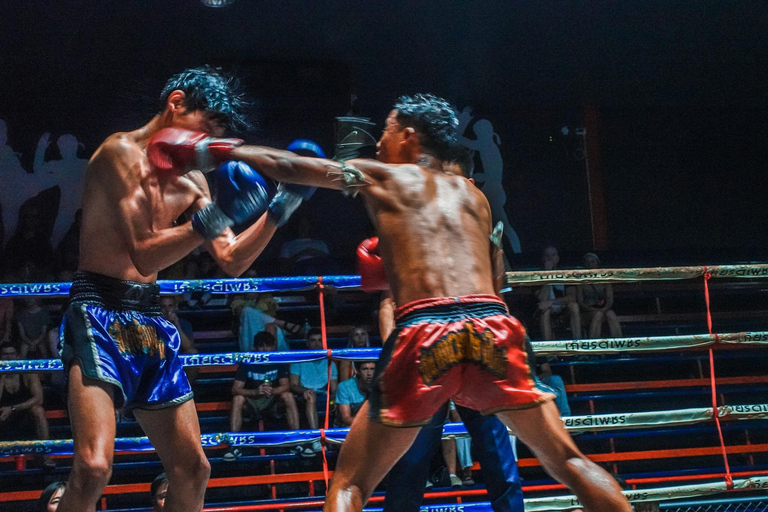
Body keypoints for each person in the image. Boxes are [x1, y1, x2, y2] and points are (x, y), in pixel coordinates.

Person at [146, 93, 632, 511]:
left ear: (410, 136)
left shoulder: (384, 176)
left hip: (428, 331)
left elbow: (294, 167)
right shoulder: (476, 197)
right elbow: (492, 273)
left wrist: (211, 149)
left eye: (387, 128)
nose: (378, 139)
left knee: (351, 484)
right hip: (491, 326)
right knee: (568, 461)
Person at [56, 66, 314, 512]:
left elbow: (232, 261)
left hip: (151, 318)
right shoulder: (119, 153)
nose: (207, 147)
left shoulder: (195, 181)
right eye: (204, 129)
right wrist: (213, 219)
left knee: (193, 469)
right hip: (98, 309)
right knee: (94, 467)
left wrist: (279, 207)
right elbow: (144, 254)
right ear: (176, 103)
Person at [225, 331, 299, 460]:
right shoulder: (247, 361)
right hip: (253, 401)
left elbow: (286, 385)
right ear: (255, 347)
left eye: (268, 346)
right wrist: (255, 392)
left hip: (272, 400)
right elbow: (235, 389)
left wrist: (272, 391)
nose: (265, 350)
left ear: (273, 346)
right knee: (237, 399)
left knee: (288, 396)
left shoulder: (277, 359)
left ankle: (297, 441)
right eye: (261, 346)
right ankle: (235, 445)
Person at [0, 342, 55, 468]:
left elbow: (38, 398)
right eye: (5, 354)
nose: (8, 358)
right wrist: (3, 376)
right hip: (2, 416)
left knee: (38, 410)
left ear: (17, 355)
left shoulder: (27, 372)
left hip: (24, 415)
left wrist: (13, 408)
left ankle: (45, 455)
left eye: (12, 354)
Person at [289, 327, 338, 452]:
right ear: (307, 342)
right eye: (313, 340)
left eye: (320, 340)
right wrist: (306, 391)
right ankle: (316, 439)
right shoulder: (298, 359)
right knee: (311, 396)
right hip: (304, 396)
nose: (317, 343)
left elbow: (334, 388)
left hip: (324, 397)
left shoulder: (329, 361)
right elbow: (293, 385)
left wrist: (333, 401)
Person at [536, 245, 581, 340]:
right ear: (543, 258)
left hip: (563, 309)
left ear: (558, 258)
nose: (550, 258)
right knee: (545, 311)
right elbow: (542, 299)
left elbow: (572, 297)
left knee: (574, 306)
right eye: (547, 255)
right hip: (546, 310)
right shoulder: (536, 276)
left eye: (553, 255)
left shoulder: (565, 274)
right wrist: (547, 274)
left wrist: (552, 302)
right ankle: (549, 352)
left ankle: (578, 346)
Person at [577, 252, 623, 339]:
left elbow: (610, 299)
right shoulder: (581, 281)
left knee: (611, 314)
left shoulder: (604, 279)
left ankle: (620, 348)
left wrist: (604, 309)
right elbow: (580, 302)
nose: (590, 264)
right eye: (588, 262)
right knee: (597, 314)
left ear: (597, 263)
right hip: (587, 312)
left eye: (593, 262)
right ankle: (594, 349)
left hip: (603, 309)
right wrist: (592, 309)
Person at [159, 295, 200, 383]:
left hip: (179, 357)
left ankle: (186, 390)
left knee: (193, 353)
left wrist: (177, 326)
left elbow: (188, 347)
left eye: (170, 306)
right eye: (163, 307)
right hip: (160, 357)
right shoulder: (154, 324)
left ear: (175, 307)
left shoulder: (185, 324)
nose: (167, 310)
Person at [335, 361, 374, 427]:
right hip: (346, 429)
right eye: (365, 369)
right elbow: (346, 418)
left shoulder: (379, 385)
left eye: (372, 369)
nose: (369, 373)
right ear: (357, 371)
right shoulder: (345, 386)